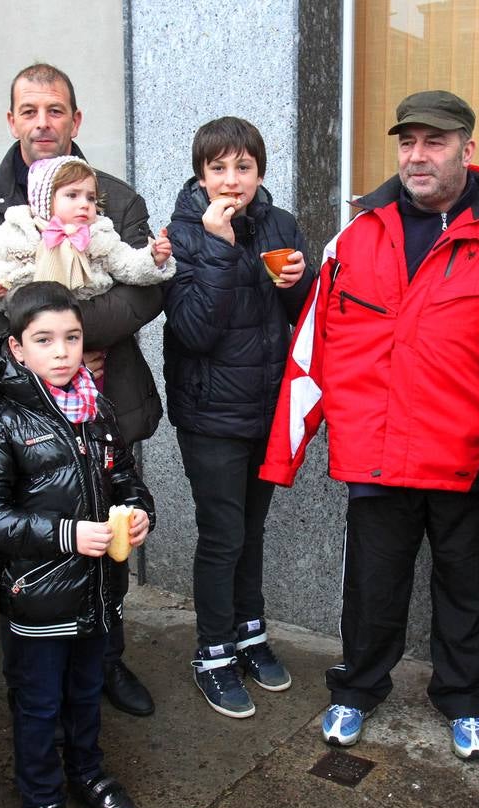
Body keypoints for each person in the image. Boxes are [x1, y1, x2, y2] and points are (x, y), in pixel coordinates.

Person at [260, 91, 479, 756]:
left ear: (467, 150)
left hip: (466, 451)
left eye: (436, 142)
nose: (418, 156)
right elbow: (311, 347)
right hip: (377, 453)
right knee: (371, 588)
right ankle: (355, 691)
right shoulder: (356, 235)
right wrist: (286, 453)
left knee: (466, 590)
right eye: (408, 142)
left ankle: (465, 699)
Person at [0, 62, 160, 717]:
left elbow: (145, 287)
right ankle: (37, 676)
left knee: (110, 535)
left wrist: (74, 337)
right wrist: (47, 347)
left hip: (105, 399)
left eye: (56, 110)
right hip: (20, 420)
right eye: (29, 111)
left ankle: (108, 660)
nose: (43, 123)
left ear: (75, 120)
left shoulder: (114, 198)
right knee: (40, 542)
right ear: (12, 120)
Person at [0, 282, 154, 808]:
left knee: (86, 692)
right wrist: (67, 536)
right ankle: (42, 799)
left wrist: (139, 511)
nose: (62, 351)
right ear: (17, 349)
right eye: (45, 340)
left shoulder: (96, 405)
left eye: (71, 337)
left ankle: (87, 774)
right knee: (39, 703)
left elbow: (123, 477)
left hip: (96, 591)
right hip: (37, 596)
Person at [164, 116, 314, 718]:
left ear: (260, 171)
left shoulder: (280, 224)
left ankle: (249, 632)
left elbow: (299, 318)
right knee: (222, 534)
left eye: (243, 167)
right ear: (201, 176)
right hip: (208, 412)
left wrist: (299, 287)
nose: (232, 181)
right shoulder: (180, 235)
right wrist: (221, 250)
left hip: (264, 406)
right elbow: (195, 331)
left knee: (251, 531)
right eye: (218, 168)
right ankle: (212, 650)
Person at [0, 154, 174, 308]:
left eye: (90, 197)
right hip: (26, 323)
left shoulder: (98, 236)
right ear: (44, 201)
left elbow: (127, 264)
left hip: (89, 322)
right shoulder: (19, 230)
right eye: (72, 195)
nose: (84, 204)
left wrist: (154, 258)